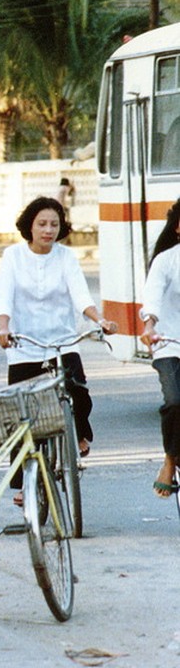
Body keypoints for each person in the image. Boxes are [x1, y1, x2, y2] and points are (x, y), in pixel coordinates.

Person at [0, 196, 115, 470]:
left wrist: (100, 320)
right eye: (42, 224)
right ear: (30, 226)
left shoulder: (66, 256)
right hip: (24, 344)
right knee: (24, 419)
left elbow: (81, 295)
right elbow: (4, 296)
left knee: (79, 394)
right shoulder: (13, 255)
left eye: (54, 225)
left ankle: (79, 432)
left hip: (62, 342)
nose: (48, 230)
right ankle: (23, 486)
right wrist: (3, 327)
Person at [139, 198, 180, 498]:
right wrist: (150, 326)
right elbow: (152, 297)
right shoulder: (166, 261)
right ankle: (169, 461)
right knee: (176, 402)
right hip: (169, 344)